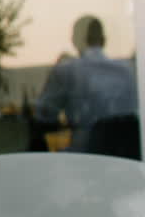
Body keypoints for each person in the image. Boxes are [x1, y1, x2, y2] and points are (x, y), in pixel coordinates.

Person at [35, 15, 137, 153]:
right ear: (104, 40)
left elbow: (44, 115)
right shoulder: (129, 71)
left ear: (75, 40)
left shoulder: (66, 70)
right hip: (128, 159)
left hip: (88, 157)